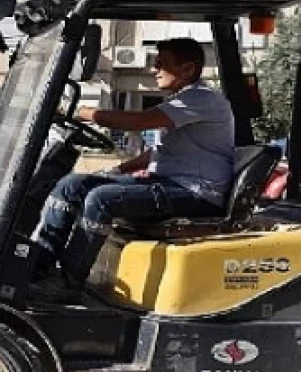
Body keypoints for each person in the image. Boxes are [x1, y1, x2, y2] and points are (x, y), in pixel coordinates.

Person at [31, 37, 237, 290]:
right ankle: (37, 269)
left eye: (161, 65)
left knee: (100, 199)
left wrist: (75, 111)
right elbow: (158, 152)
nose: (153, 70)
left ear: (187, 69)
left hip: (195, 193)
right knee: (72, 184)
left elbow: (136, 122)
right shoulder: (180, 101)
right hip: (168, 184)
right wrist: (116, 170)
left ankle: (67, 283)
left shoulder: (202, 99)